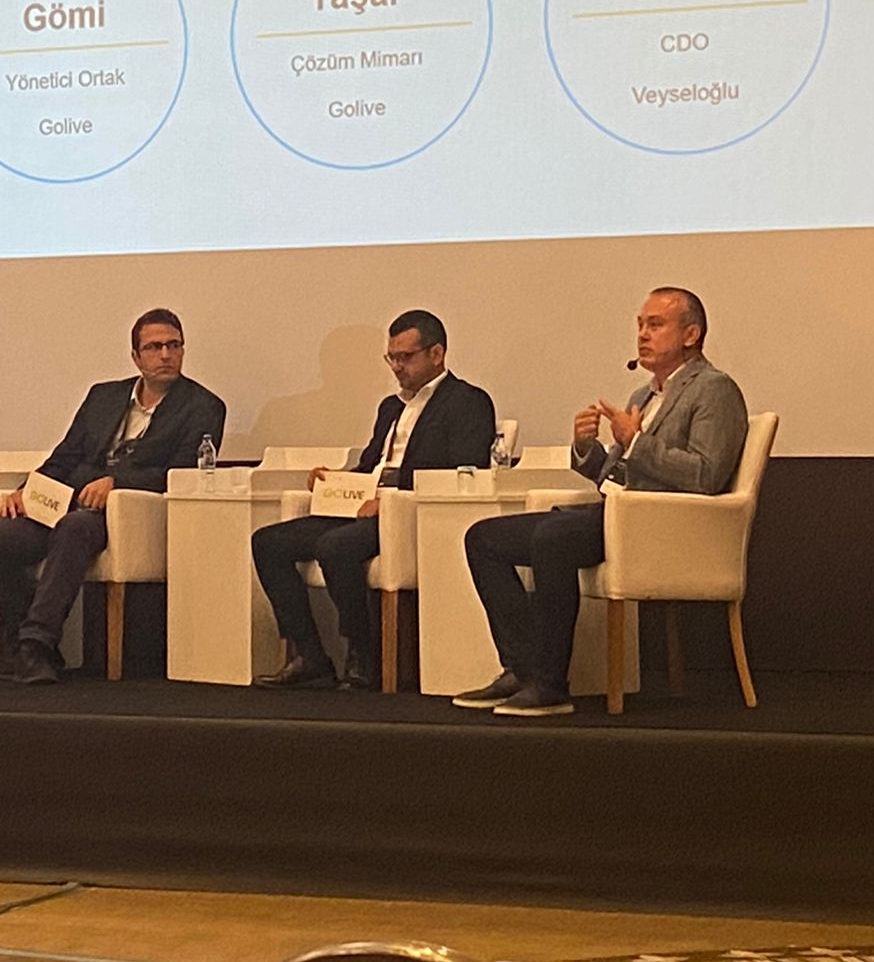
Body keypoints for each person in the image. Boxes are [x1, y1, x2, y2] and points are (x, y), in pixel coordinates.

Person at [456, 287, 748, 716]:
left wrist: (636, 441)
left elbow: (706, 475)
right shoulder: (642, 396)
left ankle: (550, 684)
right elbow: (616, 475)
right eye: (640, 325)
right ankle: (523, 667)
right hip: (619, 514)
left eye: (655, 325)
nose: (642, 335)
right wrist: (585, 449)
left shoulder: (714, 389)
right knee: (484, 538)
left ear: (691, 334)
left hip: (664, 526)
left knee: (554, 537)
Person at [0, 309, 226, 685]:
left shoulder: (203, 406)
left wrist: (116, 482)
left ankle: (36, 645)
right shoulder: (103, 396)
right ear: (136, 357)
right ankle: (24, 642)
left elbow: (183, 474)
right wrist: (27, 490)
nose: (165, 355)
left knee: (75, 528)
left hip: (130, 514)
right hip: (69, 502)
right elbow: (65, 457)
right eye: (154, 347)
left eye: (174, 345)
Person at [252, 310, 496, 691]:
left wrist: (393, 498)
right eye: (391, 358)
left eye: (406, 357)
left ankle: (364, 654)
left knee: (335, 547)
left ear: (437, 354)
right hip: (364, 507)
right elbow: (371, 465)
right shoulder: (390, 407)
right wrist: (334, 481)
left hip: (408, 513)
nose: (397, 367)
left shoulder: (467, 402)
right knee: (268, 542)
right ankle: (310, 655)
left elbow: (464, 470)